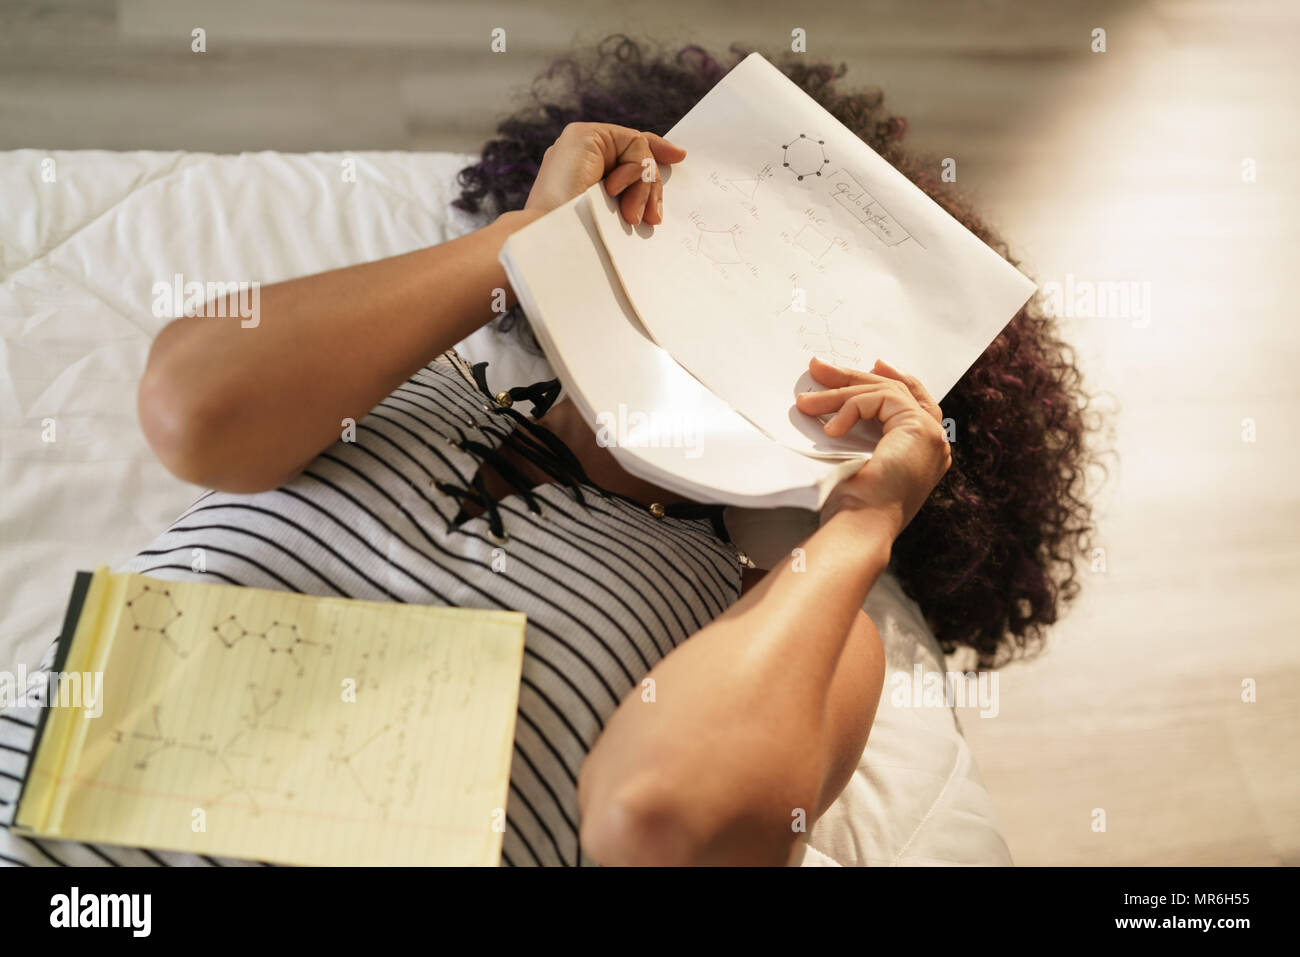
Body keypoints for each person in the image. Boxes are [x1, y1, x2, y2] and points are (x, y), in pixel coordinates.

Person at [0, 37, 1094, 867]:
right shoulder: (398, 385)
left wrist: (862, 522)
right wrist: (519, 247)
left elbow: (661, 824)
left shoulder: (782, 616)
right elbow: (192, 409)